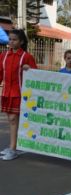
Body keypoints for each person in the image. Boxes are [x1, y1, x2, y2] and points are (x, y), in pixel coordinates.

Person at [0, 29, 37, 161]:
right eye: (10, 39)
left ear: (21, 42)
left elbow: (36, 76)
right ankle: (13, 145)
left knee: (13, 120)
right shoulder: (3, 56)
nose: (11, 42)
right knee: (13, 121)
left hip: (20, 93)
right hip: (6, 93)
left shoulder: (27, 56)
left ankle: (13, 148)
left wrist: (30, 69)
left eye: (14, 39)